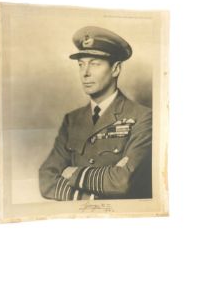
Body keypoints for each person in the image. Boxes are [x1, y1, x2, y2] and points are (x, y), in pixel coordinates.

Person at [39, 26, 152, 201]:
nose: (85, 73)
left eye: (94, 64)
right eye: (81, 64)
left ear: (115, 69)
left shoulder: (143, 117)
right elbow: (46, 179)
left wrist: (74, 173)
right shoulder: (72, 120)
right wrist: (88, 199)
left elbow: (122, 181)